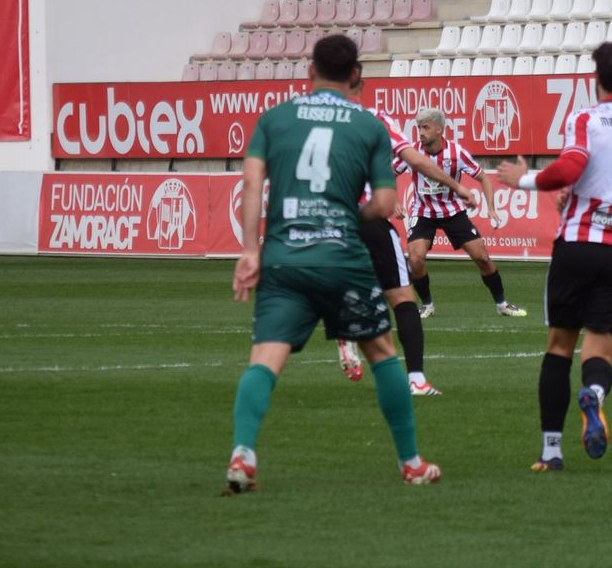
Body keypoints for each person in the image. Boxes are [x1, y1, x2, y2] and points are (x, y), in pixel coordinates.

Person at [224, 33, 441, 494]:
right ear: (357, 76)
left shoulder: (275, 118)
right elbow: (384, 204)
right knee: (382, 352)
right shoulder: (367, 125)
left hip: (284, 257)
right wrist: (344, 213)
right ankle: (411, 463)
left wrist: (248, 249)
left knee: (265, 359)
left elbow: (250, 181)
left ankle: (243, 453)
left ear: (309, 72)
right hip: (343, 257)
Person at [494, 41, 612, 472]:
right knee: (600, 352)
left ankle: (551, 451)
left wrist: (525, 180)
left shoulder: (587, 118)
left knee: (559, 347)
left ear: (597, 78)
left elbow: (571, 167)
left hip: (580, 244)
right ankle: (595, 394)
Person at [335, 76, 474, 397]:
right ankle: (416, 380)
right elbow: (414, 159)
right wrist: (458, 187)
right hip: (366, 214)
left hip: (323, 216)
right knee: (402, 298)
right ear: (357, 85)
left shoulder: (304, 120)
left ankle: (345, 324)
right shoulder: (376, 118)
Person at [400, 106, 528, 320]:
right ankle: (428, 305)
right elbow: (387, 173)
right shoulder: (412, 153)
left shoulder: (456, 153)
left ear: (439, 130)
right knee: (415, 258)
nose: (420, 132)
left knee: (483, 257)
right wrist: (394, 200)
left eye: (425, 127)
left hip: (453, 212)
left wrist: (492, 208)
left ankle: (502, 304)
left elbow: (483, 178)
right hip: (423, 212)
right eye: (418, 128)